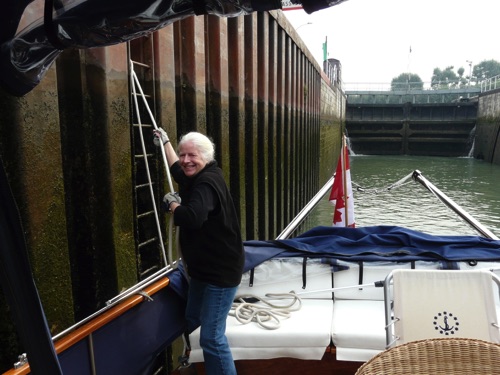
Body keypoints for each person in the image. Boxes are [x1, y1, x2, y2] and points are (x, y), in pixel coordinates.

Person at [154, 128, 244, 375]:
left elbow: (192, 217)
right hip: (202, 270)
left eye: (191, 155)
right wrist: (166, 143)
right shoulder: (199, 173)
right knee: (193, 319)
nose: (185, 160)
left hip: (219, 273)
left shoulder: (207, 183)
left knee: (212, 338)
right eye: (182, 155)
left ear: (206, 156)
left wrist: (172, 204)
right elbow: (178, 171)